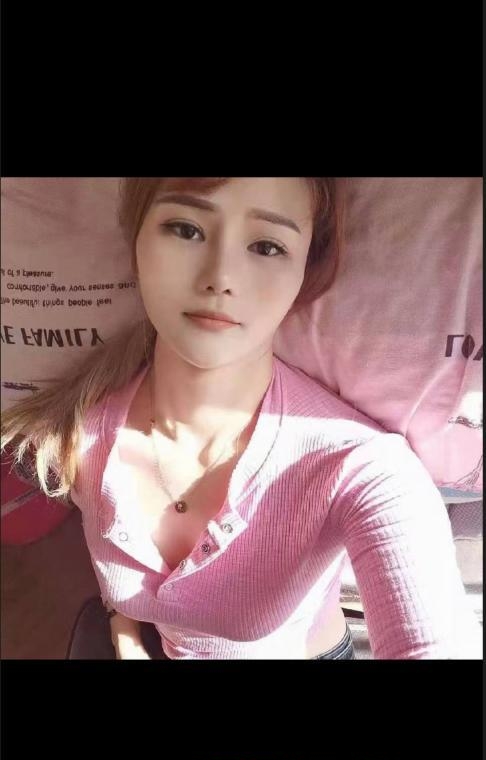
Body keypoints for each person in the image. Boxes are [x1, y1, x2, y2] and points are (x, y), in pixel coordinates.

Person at [1, 177, 481, 659]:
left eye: (267, 247)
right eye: (186, 229)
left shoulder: (362, 468)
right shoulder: (75, 434)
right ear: (137, 243)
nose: (220, 277)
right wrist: (124, 630)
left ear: (305, 272)